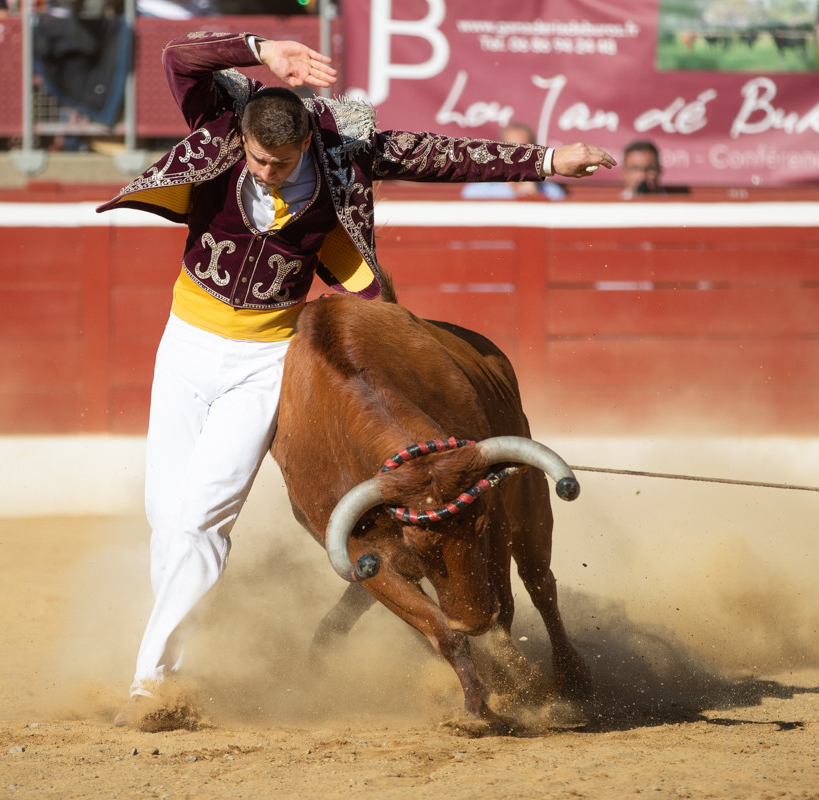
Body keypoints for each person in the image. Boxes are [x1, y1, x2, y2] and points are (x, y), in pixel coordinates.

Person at [96, 31, 615, 730]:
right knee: (171, 524)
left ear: (306, 141)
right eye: (258, 160)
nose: (268, 173)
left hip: (266, 360)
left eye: (282, 162)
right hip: (184, 347)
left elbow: (442, 154)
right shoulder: (223, 129)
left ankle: (150, 680)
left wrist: (549, 158)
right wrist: (259, 47)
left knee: (202, 520)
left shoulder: (343, 148)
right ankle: (167, 663)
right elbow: (177, 59)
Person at [461, 122, 566, 200]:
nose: (517, 157)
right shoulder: (478, 192)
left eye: (525, 150)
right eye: (510, 149)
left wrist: (535, 195)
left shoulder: (552, 192)